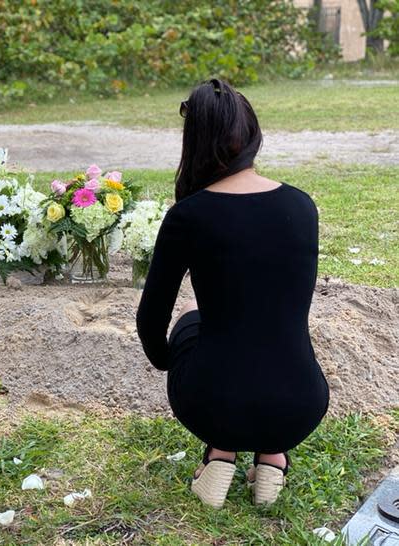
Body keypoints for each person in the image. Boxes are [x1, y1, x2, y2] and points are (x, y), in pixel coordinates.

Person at [136, 79, 330, 509]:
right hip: (300, 404)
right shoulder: (302, 206)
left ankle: (221, 452)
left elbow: (150, 321)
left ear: (196, 143)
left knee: (196, 311)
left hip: (211, 403)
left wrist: (170, 362)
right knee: (269, 326)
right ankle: (273, 456)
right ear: (254, 136)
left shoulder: (188, 216)